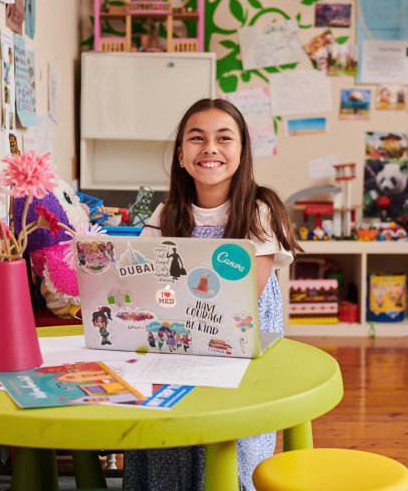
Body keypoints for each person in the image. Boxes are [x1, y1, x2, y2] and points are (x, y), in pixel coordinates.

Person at [125, 98, 299, 491]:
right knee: (168, 431)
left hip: (236, 345)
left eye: (224, 138)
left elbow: (243, 300)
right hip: (176, 342)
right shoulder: (165, 214)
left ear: (241, 152)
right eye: (197, 138)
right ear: (181, 156)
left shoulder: (260, 211)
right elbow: (143, 282)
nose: (210, 148)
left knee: (231, 442)